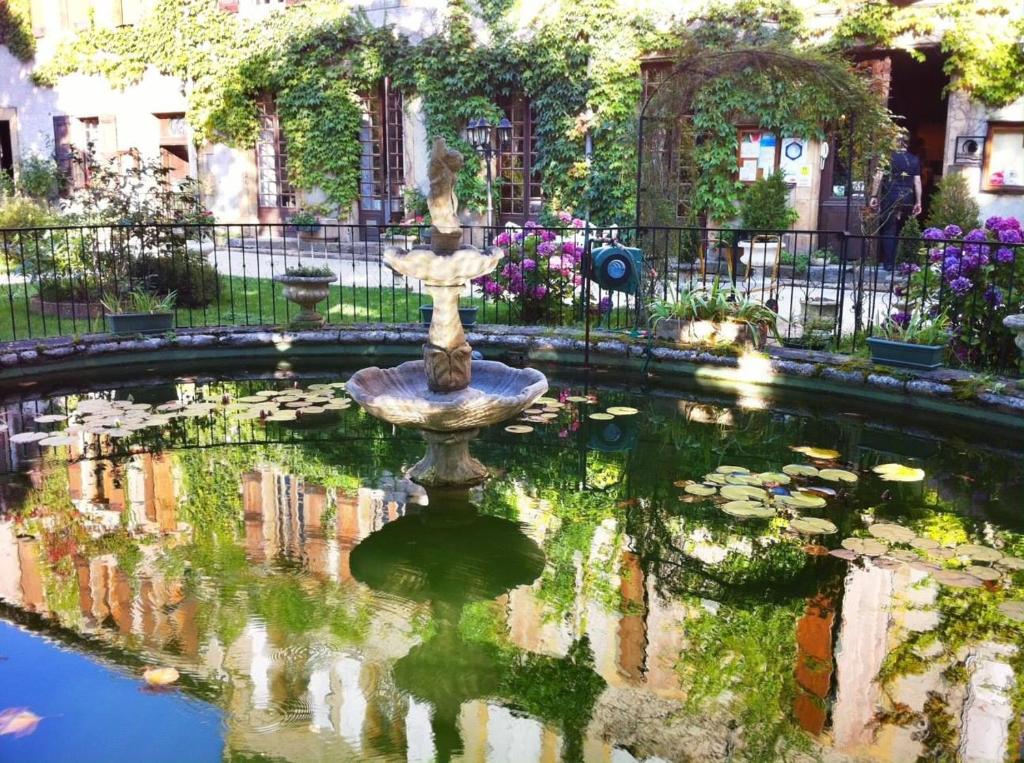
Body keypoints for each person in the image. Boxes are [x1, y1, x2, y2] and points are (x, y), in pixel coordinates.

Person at [869, 131, 922, 271]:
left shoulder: (887, 158)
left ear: (895, 142)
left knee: (888, 230)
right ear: (907, 143)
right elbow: (917, 182)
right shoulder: (914, 159)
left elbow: (878, 177)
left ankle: (889, 264)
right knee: (902, 231)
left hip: (891, 198)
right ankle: (902, 263)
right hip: (908, 198)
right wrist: (919, 202)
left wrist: (874, 196)